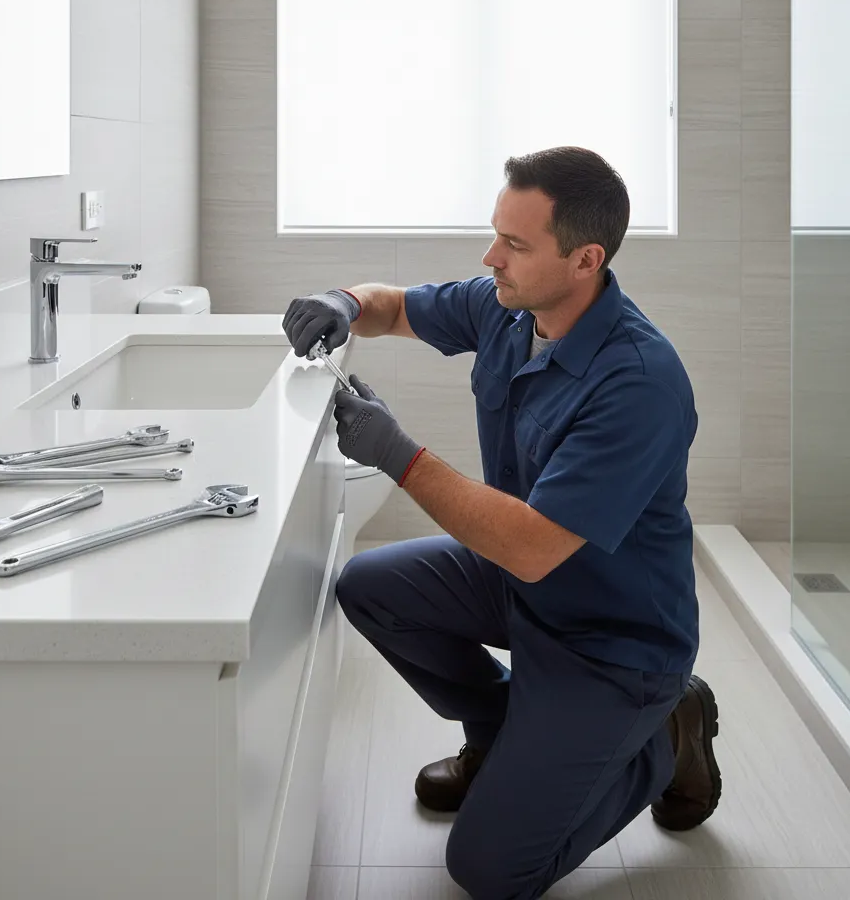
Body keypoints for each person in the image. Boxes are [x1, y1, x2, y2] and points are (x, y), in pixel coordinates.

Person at [281, 146, 721, 900]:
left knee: (488, 869)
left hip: (614, 641)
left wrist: (396, 452)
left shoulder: (640, 383)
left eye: (515, 243)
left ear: (585, 260)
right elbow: (393, 306)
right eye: (496, 234)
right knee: (370, 586)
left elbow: (532, 546)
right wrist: (344, 300)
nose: (492, 257)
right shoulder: (508, 306)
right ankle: (500, 736)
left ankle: (665, 738)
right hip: (524, 588)